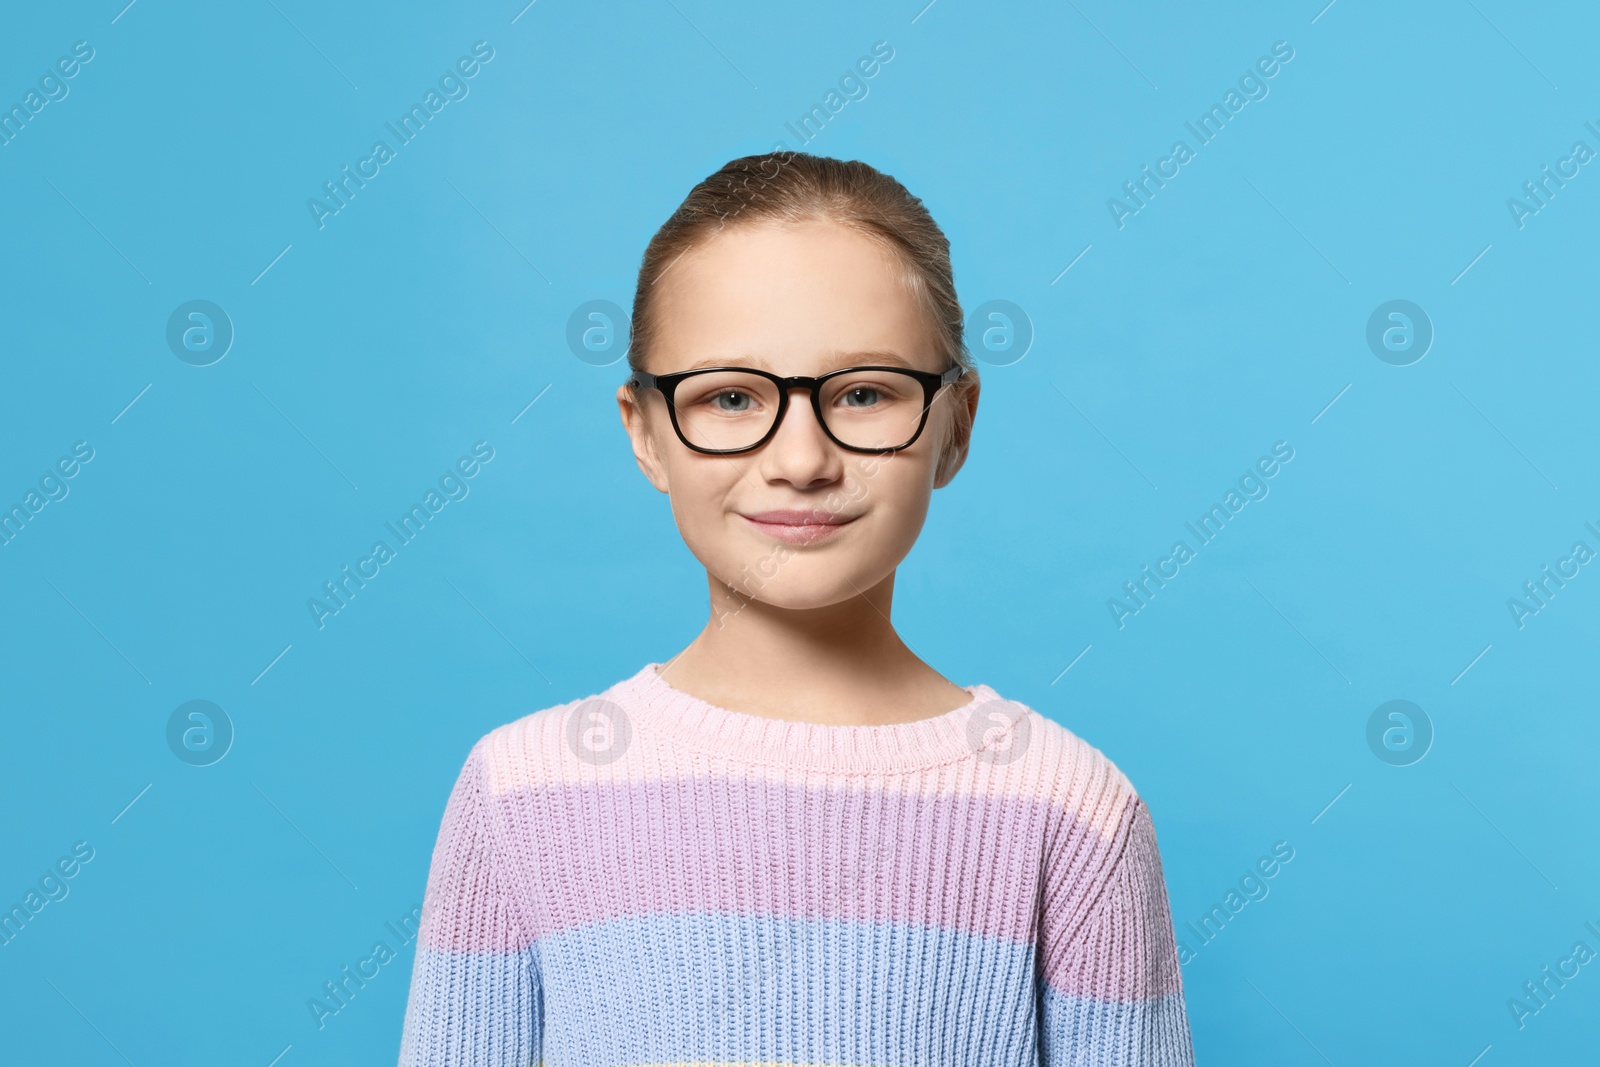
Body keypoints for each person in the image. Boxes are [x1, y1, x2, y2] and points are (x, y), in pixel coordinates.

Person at [396, 152, 1196, 1065]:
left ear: (956, 424)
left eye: (863, 393)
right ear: (646, 433)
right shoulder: (519, 793)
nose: (801, 459)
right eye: (731, 397)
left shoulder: (1072, 810)